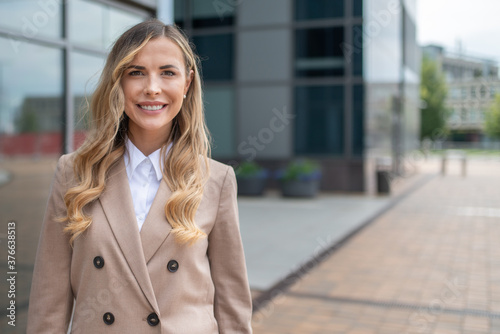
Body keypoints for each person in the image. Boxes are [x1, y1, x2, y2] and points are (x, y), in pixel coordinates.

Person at [27, 19, 253, 333]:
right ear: (118, 82)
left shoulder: (217, 180)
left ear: (187, 84)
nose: (152, 87)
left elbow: (232, 305)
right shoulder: (74, 172)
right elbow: (48, 301)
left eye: (167, 72)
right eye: (136, 72)